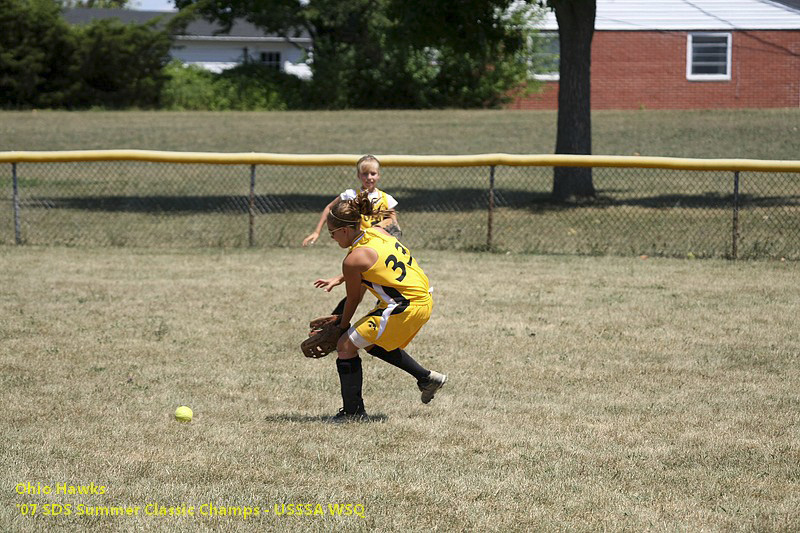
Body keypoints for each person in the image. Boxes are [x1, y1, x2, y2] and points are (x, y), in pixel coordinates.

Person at [313, 191, 446, 420]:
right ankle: (426, 378)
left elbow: (354, 299)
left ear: (345, 230)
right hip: (422, 298)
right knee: (368, 341)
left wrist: (341, 327)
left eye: (332, 233)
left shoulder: (352, 259)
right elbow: (373, 263)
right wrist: (340, 278)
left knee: (345, 346)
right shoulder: (376, 232)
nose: (332, 238)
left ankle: (353, 413)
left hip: (404, 306)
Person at [302, 155, 400, 247]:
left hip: (379, 244)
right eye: (365, 174)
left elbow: (393, 223)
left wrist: (393, 234)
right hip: (359, 244)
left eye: (373, 174)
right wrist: (317, 231)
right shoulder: (351, 195)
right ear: (358, 175)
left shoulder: (386, 198)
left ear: (379, 175)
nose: (369, 177)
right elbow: (329, 208)